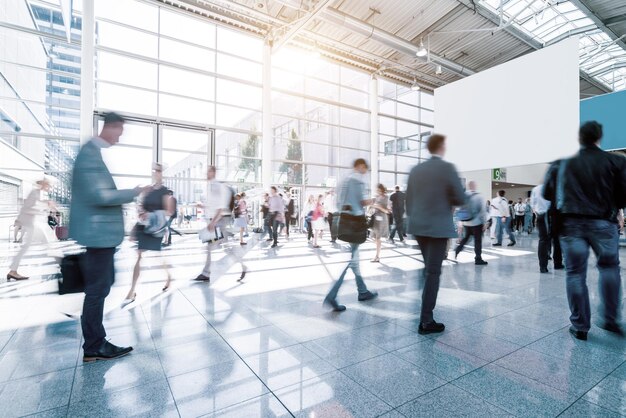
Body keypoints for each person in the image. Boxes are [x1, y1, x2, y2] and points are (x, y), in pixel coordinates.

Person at [70, 112, 147, 362]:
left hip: (99, 236)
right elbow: (100, 196)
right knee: (97, 290)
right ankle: (94, 345)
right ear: (110, 127)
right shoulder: (89, 153)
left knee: (102, 286)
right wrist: (132, 193)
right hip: (97, 235)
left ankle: (95, 342)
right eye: (119, 132)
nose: (119, 138)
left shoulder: (92, 153)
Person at [544, 121, 626, 340]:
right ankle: (610, 319)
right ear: (599, 138)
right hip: (604, 223)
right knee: (609, 268)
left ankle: (580, 326)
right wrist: (616, 210)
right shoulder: (616, 161)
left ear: (579, 138)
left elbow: (546, 193)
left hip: (571, 225)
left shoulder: (561, 164)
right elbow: (623, 194)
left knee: (575, 273)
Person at [406, 134, 465, 335]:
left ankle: (425, 315)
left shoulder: (415, 170)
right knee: (433, 273)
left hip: (419, 227)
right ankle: (426, 320)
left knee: (428, 270)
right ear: (441, 147)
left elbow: (409, 201)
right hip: (438, 227)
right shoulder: (447, 168)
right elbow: (460, 197)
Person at [324, 159, 378, 311]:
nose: (365, 171)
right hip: (355, 224)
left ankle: (362, 291)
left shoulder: (343, 180)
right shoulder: (356, 180)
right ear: (359, 166)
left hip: (344, 221)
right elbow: (360, 202)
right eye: (364, 167)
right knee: (351, 261)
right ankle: (332, 295)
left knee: (354, 259)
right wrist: (373, 200)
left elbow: (339, 202)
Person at [123, 163, 174, 307]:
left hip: (156, 227)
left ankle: (169, 276)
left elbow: (169, 211)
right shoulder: (148, 189)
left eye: (158, 170)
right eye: (153, 170)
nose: (155, 172)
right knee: (139, 255)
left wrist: (150, 214)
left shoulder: (164, 191)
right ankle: (132, 290)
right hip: (145, 227)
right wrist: (140, 213)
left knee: (157, 256)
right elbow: (141, 207)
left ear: (162, 173)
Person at [195, 166, 248, 282]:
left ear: (213, 172)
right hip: (216, 221)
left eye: (208, 171)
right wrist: (203, 206)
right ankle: (243, 266)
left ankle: (206, 273)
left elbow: (221, 207)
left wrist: (213, 222)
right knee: (225, 248)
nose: (206, 173)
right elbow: (213, 206)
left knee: (210, 247)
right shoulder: (210, 187)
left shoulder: (218, 187)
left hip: (219, 221)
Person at [7, 178, 56, 281]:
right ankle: (13, 271)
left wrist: (46, 203)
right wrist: (45, 206)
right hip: (29, 222)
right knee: (46, 243)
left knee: (32, 245)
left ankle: (13, 270)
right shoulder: (35, 192)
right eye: (48, 185)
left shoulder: (37, 193)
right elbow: (28, 208)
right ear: (43, 185)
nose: (49, 188)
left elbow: (35, 205)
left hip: (30, 222)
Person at [530, 183, 562, 273]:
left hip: (541, 215)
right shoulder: (556, 187)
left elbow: (532, 204)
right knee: (556, 239)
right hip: (553, 214)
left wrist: (537, 213)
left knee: (543, 240)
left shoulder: (536, 188)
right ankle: (557, 263)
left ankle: (543, 267)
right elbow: (560, 202)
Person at [454, 181, 488, 265]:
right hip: (476, 222)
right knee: (477, 241)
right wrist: (484, 222)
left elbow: (459, 209)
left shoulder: (463, 195)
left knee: (466, 238)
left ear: (468, 186)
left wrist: (460, 222)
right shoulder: (479, 196)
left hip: (466, 222)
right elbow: (482, 210)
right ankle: (478, 259)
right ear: (475, 186)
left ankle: (458, 249)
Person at [370, 184, 390, 262]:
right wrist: (372, 207)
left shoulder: (386, 197)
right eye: (377, 190)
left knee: (378, 238)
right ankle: (378, 249)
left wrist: (378, 207)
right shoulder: (376, 197)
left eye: (379, 190)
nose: (377, 191)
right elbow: (372, 206)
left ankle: (377, 256)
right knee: (373, 237)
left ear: (382, 190)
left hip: (382, 219)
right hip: (375, 219)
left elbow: (387, 211)